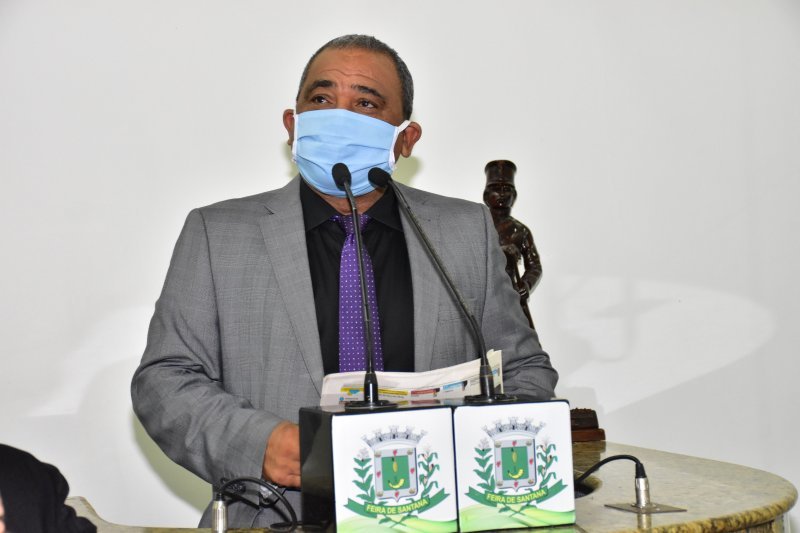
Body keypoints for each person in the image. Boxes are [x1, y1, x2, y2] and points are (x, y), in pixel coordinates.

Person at [131, 34, 558, 528]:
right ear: (292, 125)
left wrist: (477, 446)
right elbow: (164, 379)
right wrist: (259, 444)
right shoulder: (217, 233)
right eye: (321, 98)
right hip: (275, 515)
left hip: (437, 517)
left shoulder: (465, 231)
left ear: (406, 139)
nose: (339, 116)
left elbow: (523, 368)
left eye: (365, 103)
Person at [483, 160, 543, 329]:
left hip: (509, 297)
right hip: (482, 296)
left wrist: (526, 284)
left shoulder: (521, 231)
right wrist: (502, 251)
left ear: (514, 195)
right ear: (486, 195)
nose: (501, 193)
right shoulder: (478, 225)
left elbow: (535, 266)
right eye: (496, 188)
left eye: (506, 188)